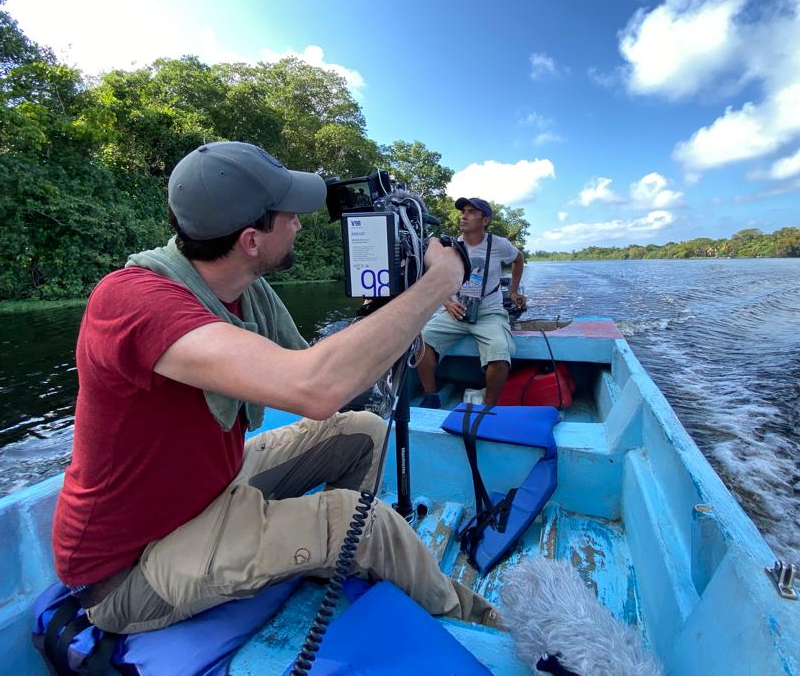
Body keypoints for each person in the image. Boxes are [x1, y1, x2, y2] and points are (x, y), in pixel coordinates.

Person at [52, 141, 496, 635]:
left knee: (364, 431)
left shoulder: (244, 289)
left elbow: (325, 374)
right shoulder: (133, 301)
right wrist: (440, 281)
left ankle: (330, 558)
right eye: (290, 216)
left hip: (211, 492)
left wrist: (388, 304)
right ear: (250, 240)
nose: (300, 225)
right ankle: (474, 624)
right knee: (363, 522)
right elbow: (316, 387)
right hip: (133, 573)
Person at [416, 197, 526, 407]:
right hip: (456, 314)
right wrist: (448, 302)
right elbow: (438, 279)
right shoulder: (453, 247)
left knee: (500, 354)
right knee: (421, 342)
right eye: (462, 211)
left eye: (470, 212)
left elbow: (518, 259)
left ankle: (488, 407)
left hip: (489, 314)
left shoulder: (498, 244)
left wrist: (513, 291)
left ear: (485, 220)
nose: (463, 216)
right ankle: (431, 396)